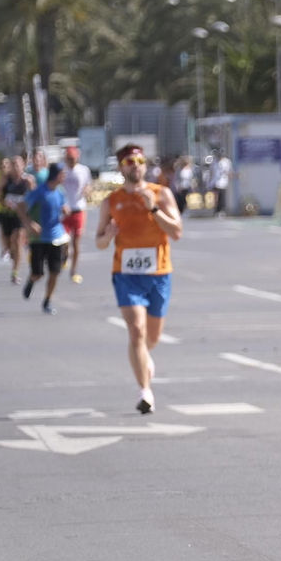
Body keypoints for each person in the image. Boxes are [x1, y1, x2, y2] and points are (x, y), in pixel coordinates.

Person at [95, 145, 183, 415]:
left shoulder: (161, 193)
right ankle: (145, 391)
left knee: (151, 338)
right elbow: (99, 242)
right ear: (121, 167)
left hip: (158, 274)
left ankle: (144, 359)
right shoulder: (111, 201)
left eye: (140, 160)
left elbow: (177, 232)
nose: (136, 165)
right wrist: (108, 235)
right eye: (130, 161)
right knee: (136, 330)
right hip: (126, 275)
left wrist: (153, 210)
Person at [20, 164, 71, 314]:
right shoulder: (39, 191)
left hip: (56, 237)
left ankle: (47, 301)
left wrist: (65, 209)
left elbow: (63, 205)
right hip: (39, 239)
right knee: (38, 274)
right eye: (63, 174)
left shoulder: (60, 192)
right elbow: (21, 207)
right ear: (56, 175)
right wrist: (30, 224)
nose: (65, 177)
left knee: (55, 272)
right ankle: (31, 280)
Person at [59, 145, 94, 285]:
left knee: (76, 242)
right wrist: (61, 204)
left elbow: (89, 185)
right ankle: (65, 255)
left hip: (79, 209)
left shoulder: (84, 170)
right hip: (64, 210)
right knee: (64, 241)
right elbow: (56, 187)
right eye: (68, 159)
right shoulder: (62, 170)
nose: (71, 161)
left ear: (77, 157)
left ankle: (74, 271)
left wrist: (87, 190)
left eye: (73, 159)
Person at [0, 157, 34, 285]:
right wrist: (3, 201)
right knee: (8, 243)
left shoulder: (28, 180)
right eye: (14, 165)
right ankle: (12, 253)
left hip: (21, 215)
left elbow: (35, 196)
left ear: (23, 166)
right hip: (7, 214)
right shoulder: (6, 179)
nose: (16, 168)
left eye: (18, 165)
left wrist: (27, 205)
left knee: (18, 240)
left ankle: (15, 272)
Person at [208, 150, 233, 215]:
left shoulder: (227, 162)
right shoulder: (214, 162)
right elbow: (211, 172)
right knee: (216, 197)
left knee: (222, 197)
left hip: (223, 182)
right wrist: (209, 182)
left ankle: (221, 210)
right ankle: (216, 210)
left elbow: (229, 172)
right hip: (215, 182)